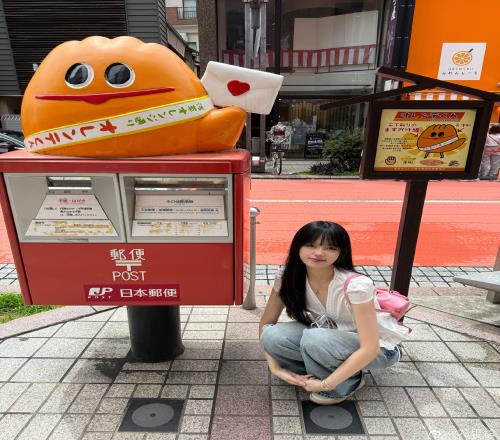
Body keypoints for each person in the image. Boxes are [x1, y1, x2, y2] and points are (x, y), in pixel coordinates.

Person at [259, 221, 409, 405]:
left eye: (330, 247)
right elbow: (265, 325)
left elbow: (370, 348)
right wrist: (276, 369)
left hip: (380, 349)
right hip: (328, 339)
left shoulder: (355, 286)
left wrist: (326, 384)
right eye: (311, 245)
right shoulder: (287, 277)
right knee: (273, 335)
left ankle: (348, 382)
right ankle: (326, 372)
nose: (319, 253)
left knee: (315, 338)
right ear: (298, 247)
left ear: (341, 252)